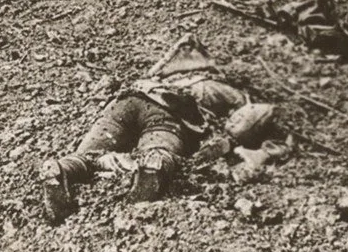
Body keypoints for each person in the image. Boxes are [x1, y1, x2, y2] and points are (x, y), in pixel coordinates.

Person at [38, 40, 260, 222]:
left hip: (125, 102)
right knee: (159, 150)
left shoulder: (157, 77)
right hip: (164, 112)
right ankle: (152, 167)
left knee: (87, 154)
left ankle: (63, 168)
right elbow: (250, 115)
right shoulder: (214, 85)